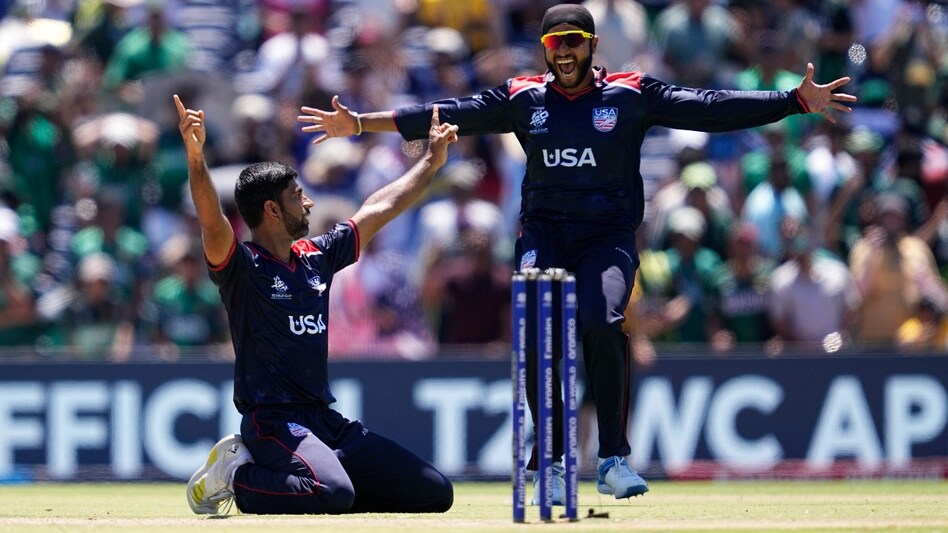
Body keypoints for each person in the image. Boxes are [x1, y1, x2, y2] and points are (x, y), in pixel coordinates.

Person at [298, 3, 856, 503]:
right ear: (545, 50)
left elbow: (708, 107)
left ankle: (612, 457)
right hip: (545, 232)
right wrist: (360, 124)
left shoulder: (631, 93)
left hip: (606, 236)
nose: (564, 53)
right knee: (541, 327)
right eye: (554, 44)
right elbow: (453, 111)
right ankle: (555, 459)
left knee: (601, 320)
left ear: (592, 45)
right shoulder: (523, 98)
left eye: (574, 41)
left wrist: (791, 101)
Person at [174, 94, 457, 515]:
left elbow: (378, 207)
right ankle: (236, 475)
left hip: (325, 421)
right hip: (272, 423)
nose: (307, 202)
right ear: (271, 209)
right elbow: (211, 219)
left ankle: (324, 480)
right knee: (333, 494)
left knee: (434, 492)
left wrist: (430, 163)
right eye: (296, 195)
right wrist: (196, 158)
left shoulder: (316, 256)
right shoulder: (243, 266)